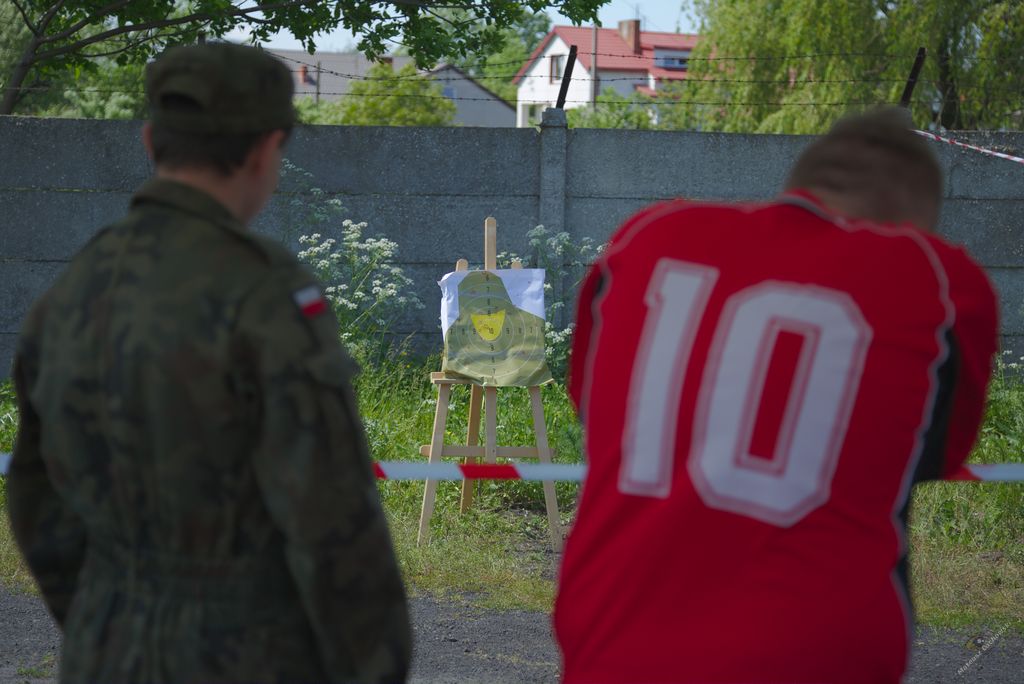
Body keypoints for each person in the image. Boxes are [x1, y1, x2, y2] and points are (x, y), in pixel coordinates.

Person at [7, 43, 411, 683]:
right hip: (247, 654)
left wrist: (109, 616)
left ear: (150, 141)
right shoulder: (265, 290)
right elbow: (331, 517)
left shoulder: (72, 289)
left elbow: (35, 499)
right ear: (265, 149)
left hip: (101, 650)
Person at [554, 109, 998, 684]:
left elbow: (595, 407)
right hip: (814, 653)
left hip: (609, 643)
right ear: (911, 221)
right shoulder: (941, 279)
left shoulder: (646, 236)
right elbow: (938, 454)